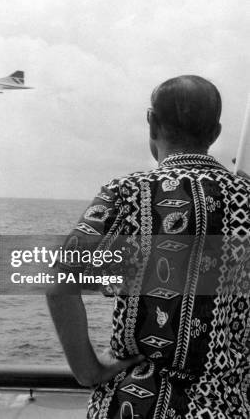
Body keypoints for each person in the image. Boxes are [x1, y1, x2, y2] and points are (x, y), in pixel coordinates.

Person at [46, 75, 250, 418]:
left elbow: (59, 280)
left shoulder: (125, 194)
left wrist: (88, 371)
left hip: (133, 404)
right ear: (215, 133)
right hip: (223, 406)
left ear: (151, 122)